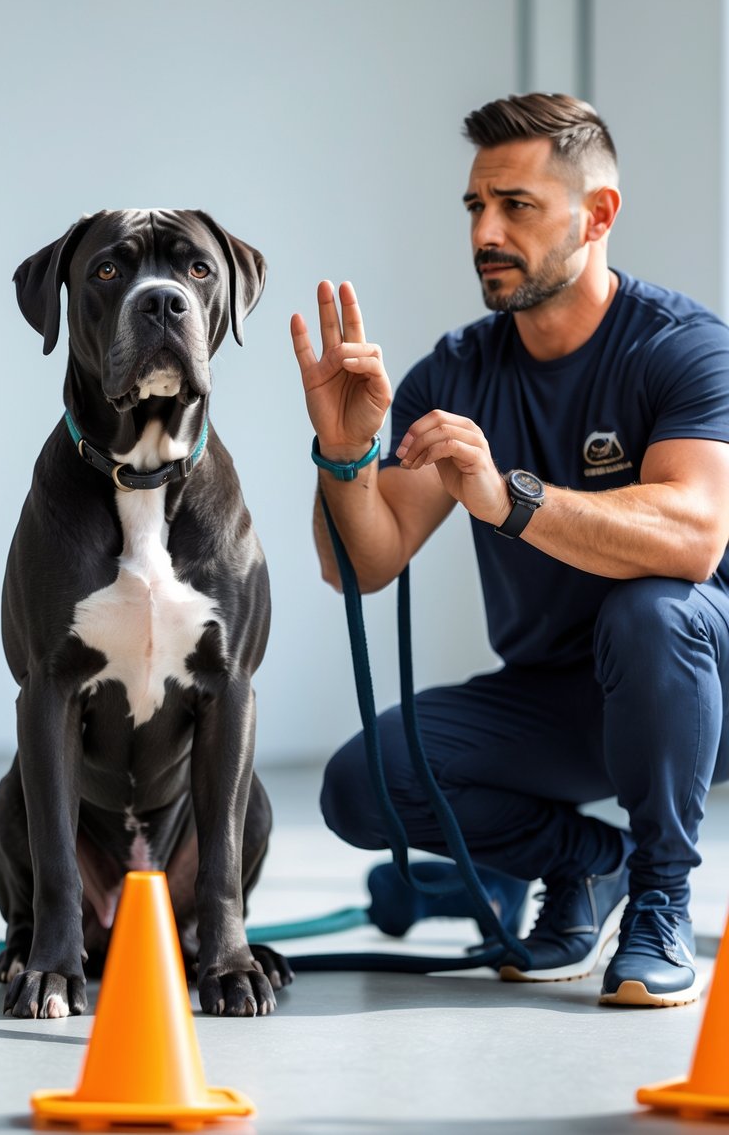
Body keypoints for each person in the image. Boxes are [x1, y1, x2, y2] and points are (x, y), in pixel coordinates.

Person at [290, 92, 729, 1007]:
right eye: (475, 206)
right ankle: (589, 861)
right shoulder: (456, 370)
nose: (485, 232)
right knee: (364, 783)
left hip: (698, 682)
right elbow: (362, 564)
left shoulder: (682, 347)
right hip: (562, 698)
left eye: (516, 205)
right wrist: (344, 454)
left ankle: (661, 897)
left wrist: (511, 500)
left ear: (597, 214)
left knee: (650, 610)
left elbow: (694, 536)